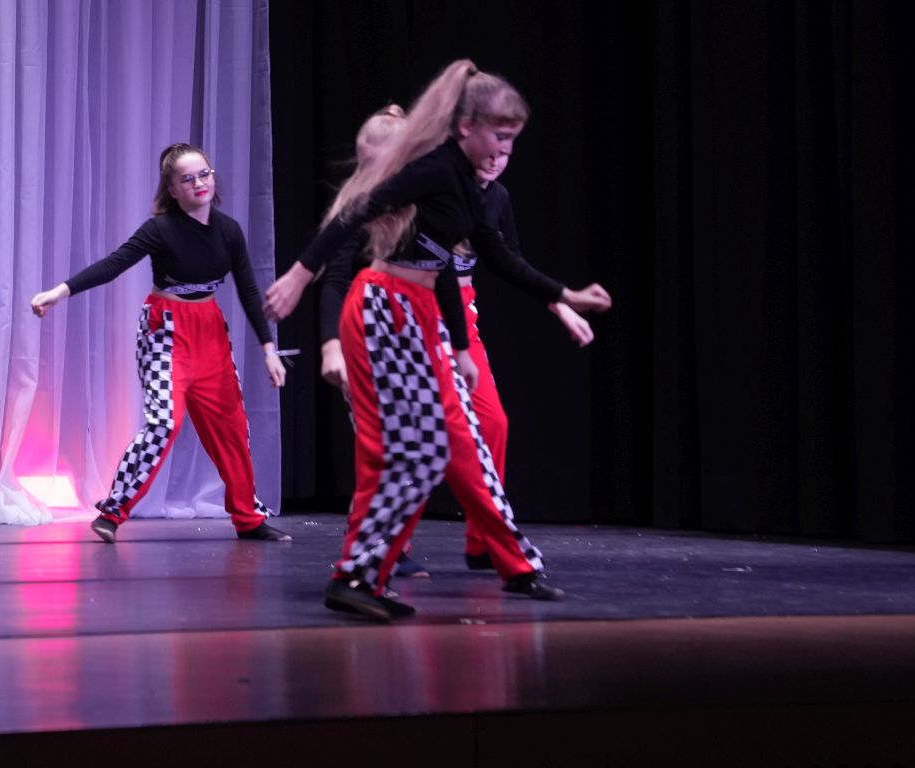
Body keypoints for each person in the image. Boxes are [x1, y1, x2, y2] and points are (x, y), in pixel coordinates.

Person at [262, 60, 605, 621]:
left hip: (418, 313)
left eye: (512, 140)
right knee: (418, 451)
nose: (504, 149)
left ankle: (362, 576)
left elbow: (485, 258)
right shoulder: (435, 170)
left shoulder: (467, 186)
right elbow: (354, 212)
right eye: (499, 135)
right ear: (466, 127)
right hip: (384, 310)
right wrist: (300, 276)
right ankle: (357, 575)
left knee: (438, 446)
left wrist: (561, 295)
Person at [318, 108, 610, 575]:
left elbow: (504, 262)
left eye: (505, 150)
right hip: (391, 318)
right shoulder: (390, 198)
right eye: (489, 148)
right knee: (402, 445)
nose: (496, 159)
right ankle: (382, 551)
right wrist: (331, 342)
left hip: (453, 321)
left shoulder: (487, 199)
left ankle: (483, 542)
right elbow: (334, 275)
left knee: (490, 424)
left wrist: (560, 302)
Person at [31, 144, 289, 543]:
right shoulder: (161, 229)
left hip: (210, 331)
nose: (199, 183)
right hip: (166, 330)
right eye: (187, 179)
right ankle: (113, 511)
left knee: (233, 426)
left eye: (204, 174)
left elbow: (248, 290)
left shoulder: (228, 230)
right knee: (164, 422)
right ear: (172, 189)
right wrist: (59, 291)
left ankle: (248, 518)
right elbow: (114, 264)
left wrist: (268, 349)